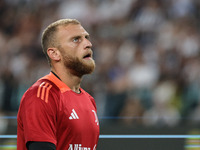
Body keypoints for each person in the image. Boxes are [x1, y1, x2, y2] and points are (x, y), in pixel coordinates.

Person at [17, 19, 99, 150]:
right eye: (76, 39)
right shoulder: (41, 95)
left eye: (86, 38)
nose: (88, 44)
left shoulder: (89, 100)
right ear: (54, 54)